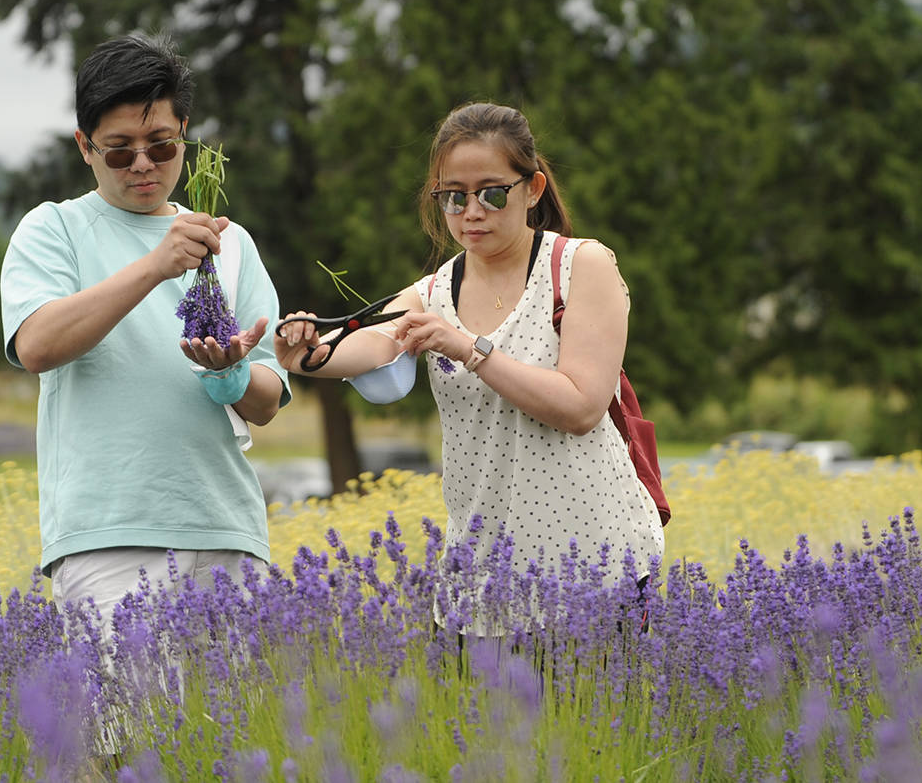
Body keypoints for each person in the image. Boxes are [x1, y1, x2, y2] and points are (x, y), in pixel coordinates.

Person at [274, 102, 663, 636]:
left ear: (533, 189)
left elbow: (581, 406)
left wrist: (469, 350)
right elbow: (374, 344)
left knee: (593, 720)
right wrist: (307, 354)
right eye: (453, 197)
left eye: (492, 192)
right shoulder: (435, 290)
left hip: (592, 566)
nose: (471, 211)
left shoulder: (581, 265)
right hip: (480, 577)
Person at [0, 32, 291, 623]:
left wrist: (229, 372)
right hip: (107, 535)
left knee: (240, 717)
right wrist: (156, 266)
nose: (142, 165)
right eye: (118, 149)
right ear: (84, 146)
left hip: (226, 526)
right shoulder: (53, 229)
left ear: (184, 132)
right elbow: (36, 344)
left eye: (161, 146)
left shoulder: (228, 243)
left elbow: (266, 401)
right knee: (131, 718)